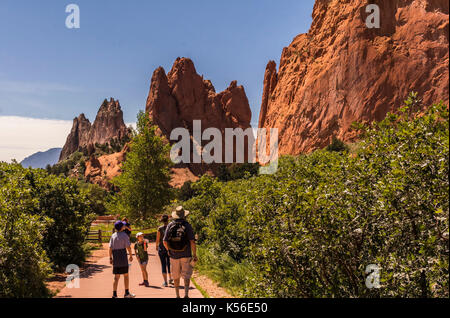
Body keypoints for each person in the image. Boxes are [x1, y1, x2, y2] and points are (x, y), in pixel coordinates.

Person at [163, 206, 198, 298]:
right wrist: (194, 254)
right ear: (184, 215)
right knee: (186, 275)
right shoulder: (187, 225)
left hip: (174, 255)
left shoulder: (170, 225)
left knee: (176, 276)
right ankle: (186, 295)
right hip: (186, 254)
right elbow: (192, 241)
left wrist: (169, 251)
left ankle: (177, 295)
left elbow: (164, 241)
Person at [109, 221, 136, 298]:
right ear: (121, 227)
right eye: (123, 226)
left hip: (116, 257)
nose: (124, 226)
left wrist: (110, 258)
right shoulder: (125, 235)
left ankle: (114, 294)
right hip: (123, 256)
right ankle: (126, 293)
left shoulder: (113, 235)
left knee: (116, 277)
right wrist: (130, 255)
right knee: (126, 275)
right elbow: (128, 247)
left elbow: (110, 248)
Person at [155, 214, 173, 287]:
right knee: (169, 263)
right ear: (168, 220)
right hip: (169, 248)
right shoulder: (171, 227)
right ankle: (170, 278)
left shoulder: (160, 228)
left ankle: (165, 282)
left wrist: (156, 245)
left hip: (162, 248)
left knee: (163, 264)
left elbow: (158, 239)